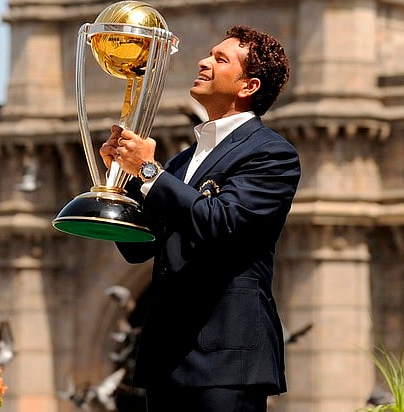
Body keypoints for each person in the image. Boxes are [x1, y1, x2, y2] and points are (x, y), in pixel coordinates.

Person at [99, 25, 301, 411]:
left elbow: (222, 224)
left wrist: (147, 172)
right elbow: (137, 250)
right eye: (209, 54)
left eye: (220, 59)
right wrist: (121, 180)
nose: (203, 62)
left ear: (248, 86)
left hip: (225, 361)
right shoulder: (179, 162)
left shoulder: (272, 154)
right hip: (166, 362)